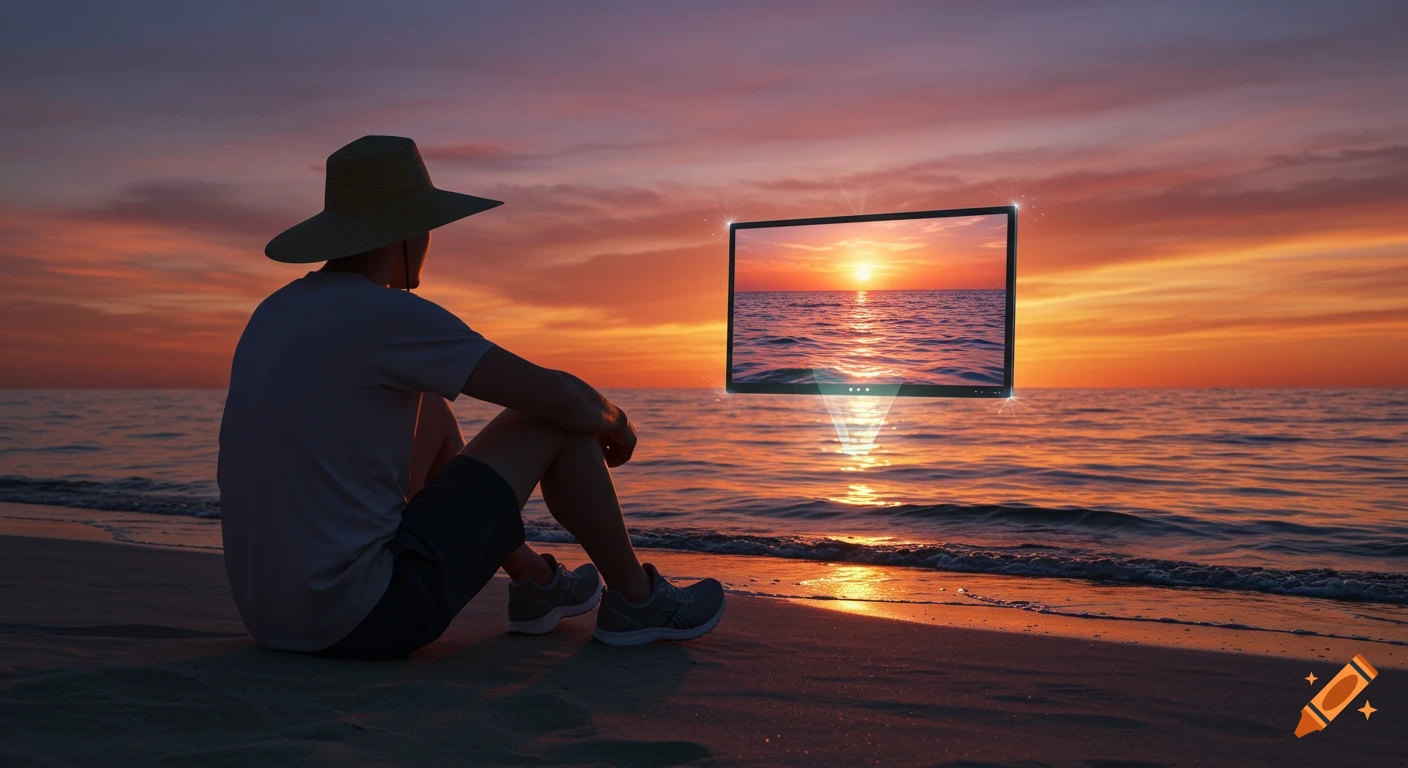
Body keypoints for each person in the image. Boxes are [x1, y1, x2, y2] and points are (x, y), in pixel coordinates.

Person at [217, 135, 724, 659]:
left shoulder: (273, 313)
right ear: (407, 233)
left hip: (272, 616)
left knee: (429, 407)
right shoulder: (386, 315)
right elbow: (560, 398)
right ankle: (638, 601)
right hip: (366, 617)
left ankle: (535, 582)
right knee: (555, 419)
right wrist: (615, 420)